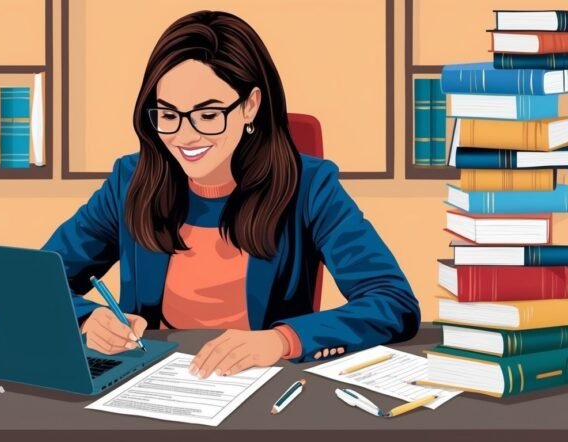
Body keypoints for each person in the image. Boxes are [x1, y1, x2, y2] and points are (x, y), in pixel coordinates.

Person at [42, 10, 420, 379]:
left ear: (250, 105)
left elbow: (392, 300)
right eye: (168, 115)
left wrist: (281, 340)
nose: (184, 137)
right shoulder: (131, 179)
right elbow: (39, 281)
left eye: (208, 115)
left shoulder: (311, 186)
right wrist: (88, 319)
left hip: (262, 387)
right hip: (152, 383)